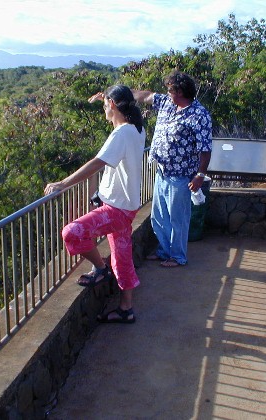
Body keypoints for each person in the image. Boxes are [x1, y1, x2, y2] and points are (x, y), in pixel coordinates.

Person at [44, 85, 145, 324]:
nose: (103, 109)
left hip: (116, 208)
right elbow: (119, 115)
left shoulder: (121, 134)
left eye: (105, 105)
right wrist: (106, 99)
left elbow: (98, 162)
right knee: (121, 257)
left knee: (72, 232)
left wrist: (63, 183)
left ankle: (100, 268)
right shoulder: (137, 129)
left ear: (113, 105)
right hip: (128, 205)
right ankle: (126, 309)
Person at [132, 70, 212, 267]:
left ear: (180, 92)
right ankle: (164, 251)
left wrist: (200, 175)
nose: (167, 93)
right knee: (159, 217)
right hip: (162, 171)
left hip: (181, 176)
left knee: (178, 219)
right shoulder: (167, 103)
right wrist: (120, 93)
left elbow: (205, 148)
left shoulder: (199, 115)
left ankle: (177, 257)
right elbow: (147, 96)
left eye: (170, 90)